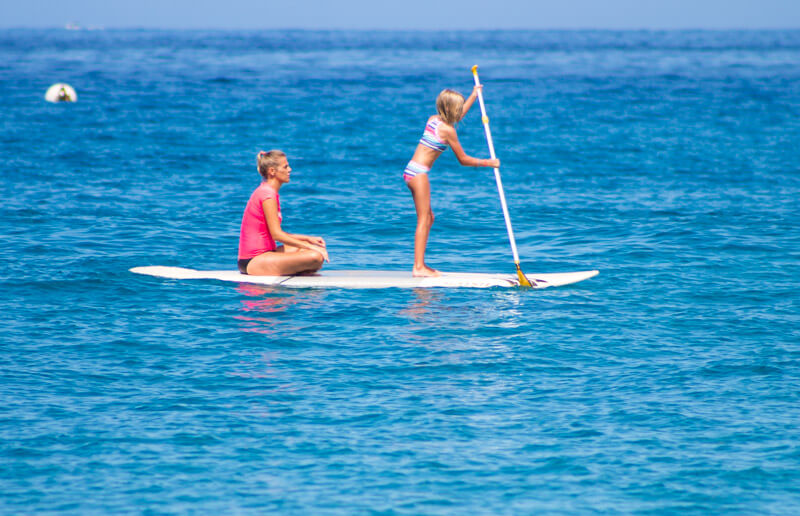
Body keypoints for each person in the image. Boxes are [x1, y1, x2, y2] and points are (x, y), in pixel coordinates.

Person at [403, 86, 501, 277]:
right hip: (419, 174)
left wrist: (474, 94)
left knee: (429, 217)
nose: (459, 112)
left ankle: (420, 264)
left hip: (411, 170)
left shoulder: (433, 119)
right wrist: (488, 162)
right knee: (424, 219)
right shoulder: (448, 131)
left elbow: (459, 116)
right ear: (451, 110)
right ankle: (418, 267)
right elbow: (463, 160)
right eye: (458, 108)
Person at [238, 150, 329, 276]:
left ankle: (295, 269)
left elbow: (274, 232)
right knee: (315, 257)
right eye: (285, 167)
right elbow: (276, 235)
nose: (290, 170)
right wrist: (312, 248)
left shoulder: (268, 192)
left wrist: (308, 239)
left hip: (267, 254)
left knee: (307, 247)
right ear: (272, 171)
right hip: (253, 261)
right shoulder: (267, 194)